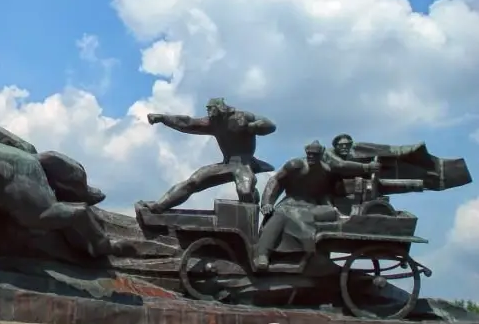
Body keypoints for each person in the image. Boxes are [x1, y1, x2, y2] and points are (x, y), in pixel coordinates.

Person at [253, 141, 381, 270]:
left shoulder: (326, 170)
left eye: (315, 154)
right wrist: (267, 203)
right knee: (281, 214)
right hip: (291, 203)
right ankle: (263, 254)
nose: (311, 157)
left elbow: (340, 171)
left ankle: (313, 255)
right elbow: (276, 181)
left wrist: (367, 168)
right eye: (309, 154)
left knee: (329, 213)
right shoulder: (296, 165)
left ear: (321, 154)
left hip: (314, 206)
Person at [136, 98, 276, 214]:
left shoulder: (241, 117)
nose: (208, 112)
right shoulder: (212, 123)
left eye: (210, 109)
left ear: (220, 108)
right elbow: (187, 123)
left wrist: (252, 126)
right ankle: (159, 206)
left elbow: (270, 125)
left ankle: (252, 205)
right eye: (207, 109)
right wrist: (163, 118)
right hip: (227, 164)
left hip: (244, 163)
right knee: (193, 182)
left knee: (245, 191)